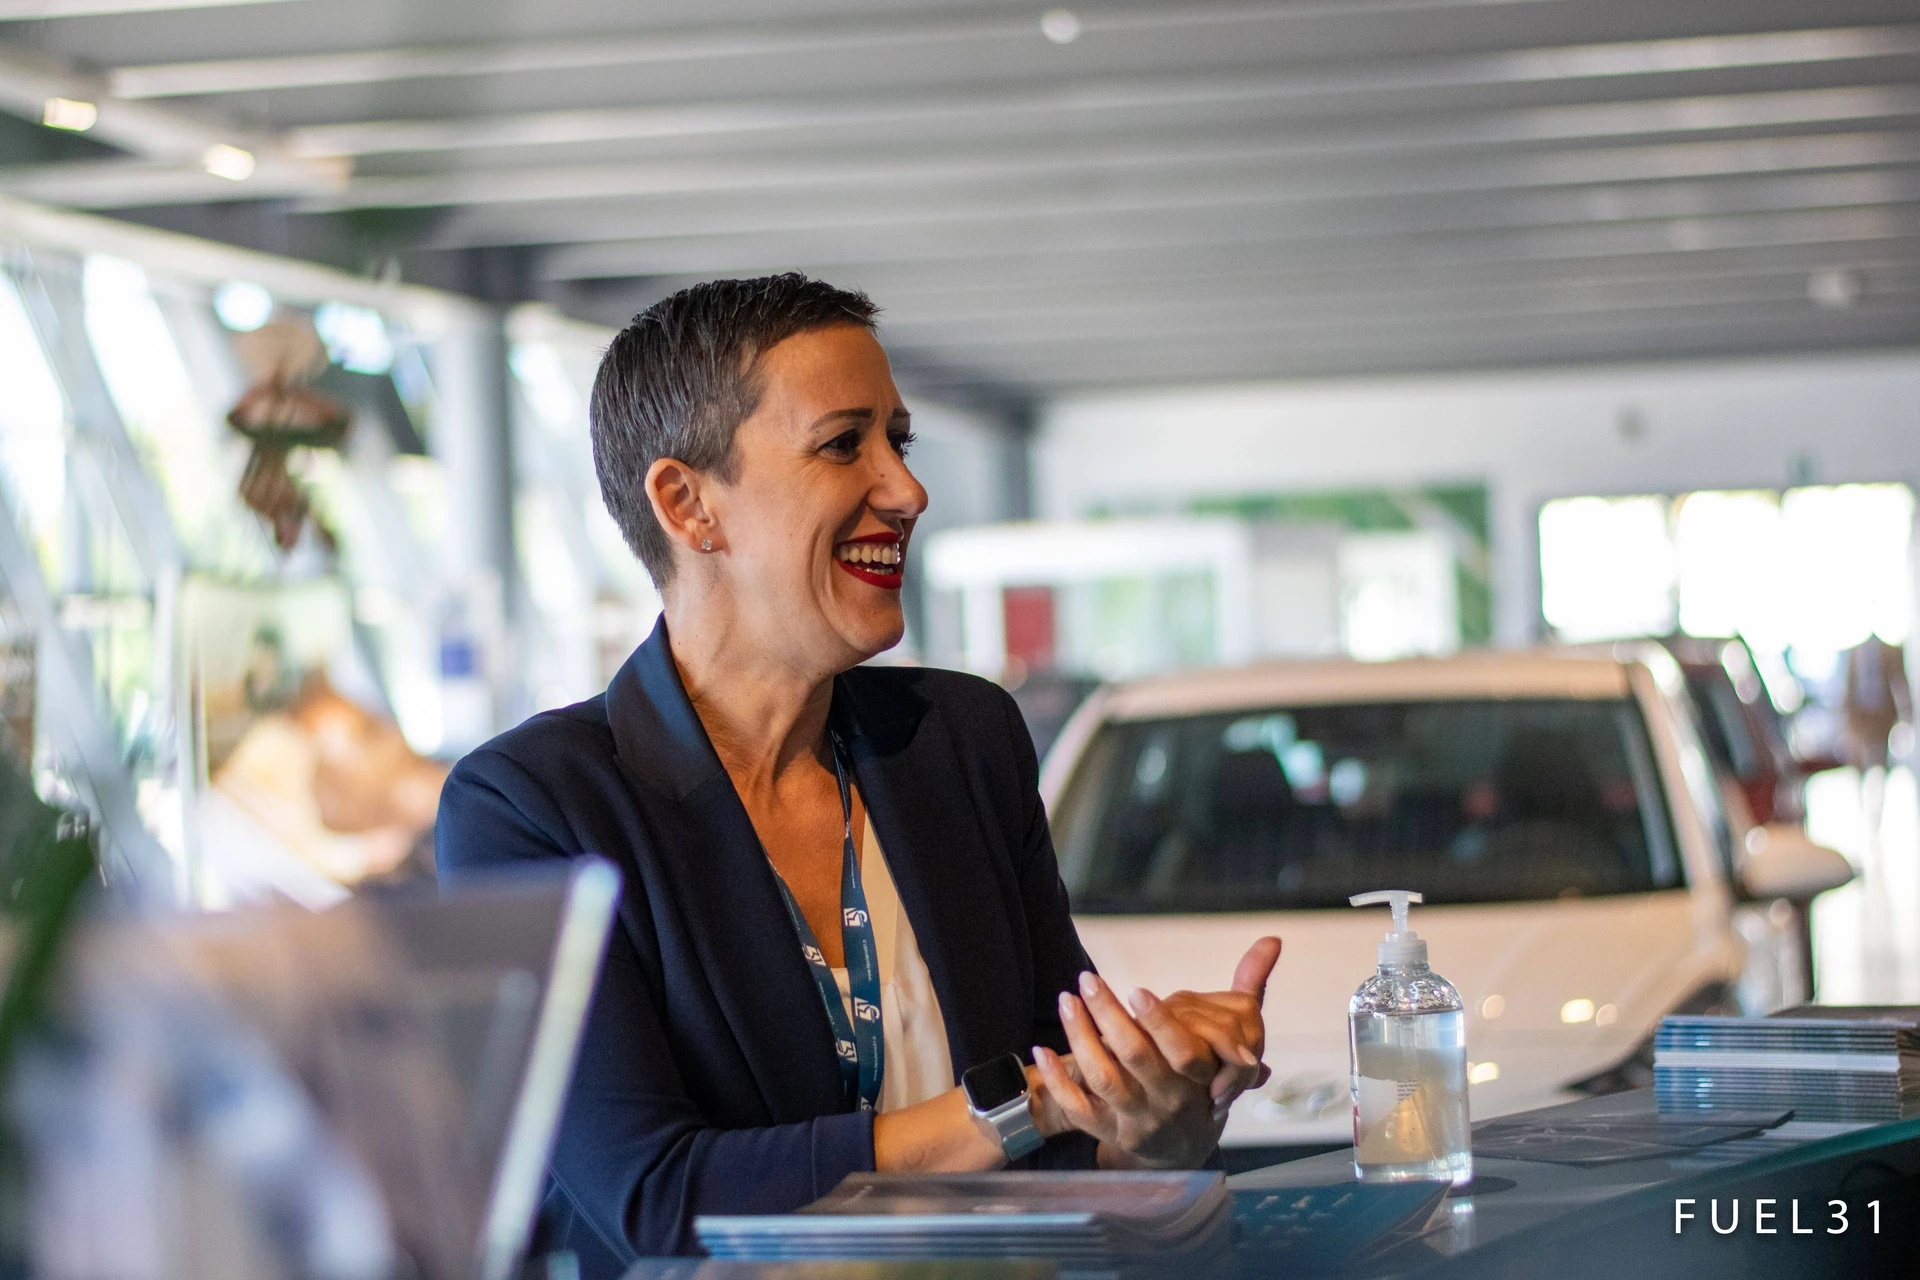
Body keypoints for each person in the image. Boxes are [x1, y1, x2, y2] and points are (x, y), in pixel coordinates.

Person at [435, 275, 1279, 1274]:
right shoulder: (532, 807)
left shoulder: (960, 741)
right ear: (688, 503)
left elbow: (1069, 1137)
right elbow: (657, 1197)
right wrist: (1029, 1101)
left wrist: (1152, 1122)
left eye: (899, 441)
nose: (907, 489)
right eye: (844, 444)